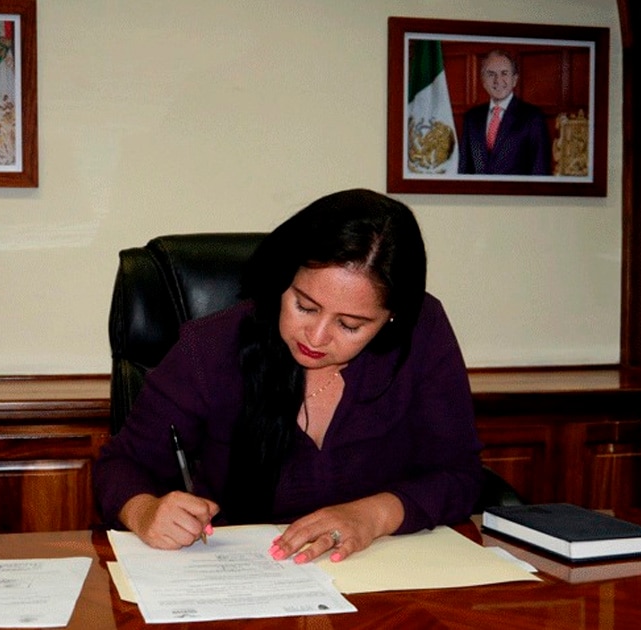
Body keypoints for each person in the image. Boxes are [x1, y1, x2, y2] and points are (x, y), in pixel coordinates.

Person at [93, 188, 483, 565]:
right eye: (305, 306)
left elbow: (460, 475)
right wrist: (144, 511)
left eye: (350, 325)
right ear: (283, 279)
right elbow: (120, 464)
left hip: (381, 582)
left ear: (391, 319)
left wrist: (372, 516)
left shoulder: (422, 335)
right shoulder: (212, 346)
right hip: (246, 582)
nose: (315, 338)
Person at [458, 50, 551, 175]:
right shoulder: (472, 118)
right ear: (483, 81)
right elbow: (464, 169)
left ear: (514, 79)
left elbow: (540, 170)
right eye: (491, 74)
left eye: (504, 73)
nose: (498, 80)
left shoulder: (533, 117)